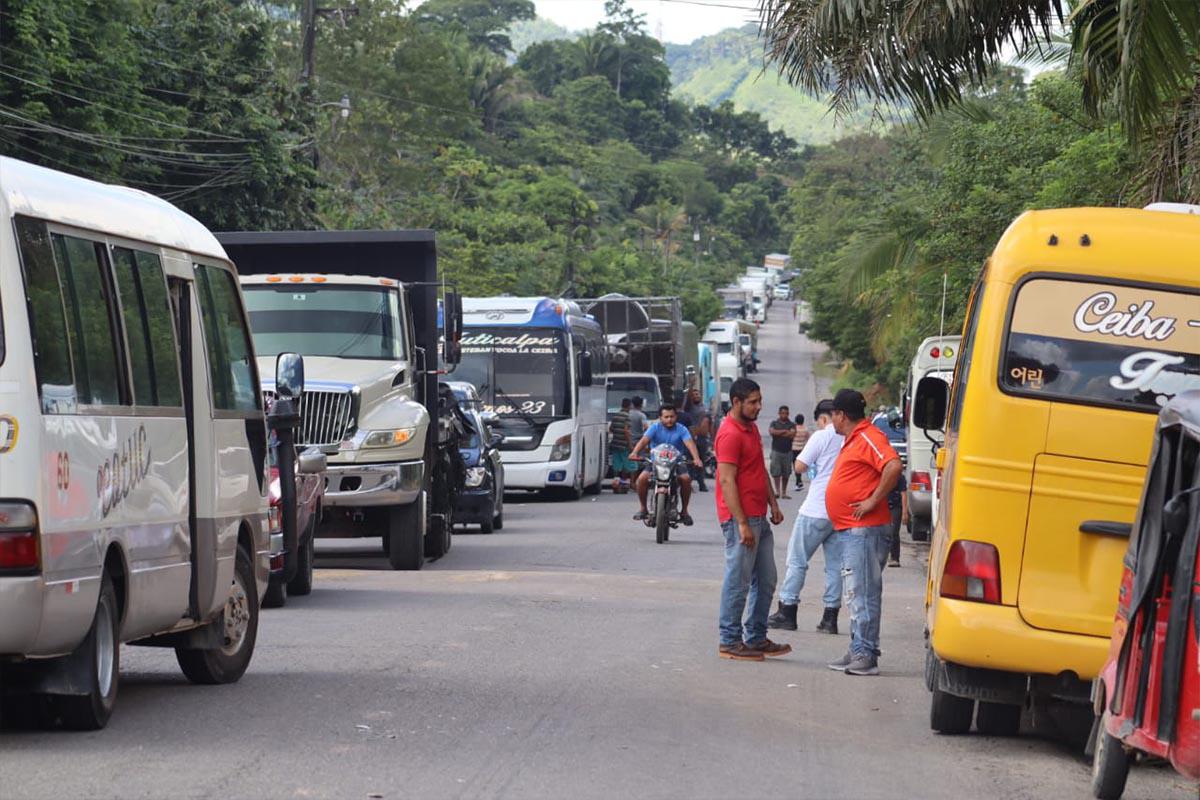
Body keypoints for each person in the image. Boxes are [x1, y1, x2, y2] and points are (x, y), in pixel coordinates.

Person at [824, 389, 902, 677]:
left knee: (863, 592)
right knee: (855, 591)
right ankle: (858, 646)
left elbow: (893, 465)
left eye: (833, 413)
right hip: (853, 530)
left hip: (865, 530)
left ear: (842, 415)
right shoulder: (853, 439)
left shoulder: (868, 436)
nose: (831, 419)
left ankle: (865, 653)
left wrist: (872, 500)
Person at [716, 378, 789, 661]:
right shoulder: (730, 434)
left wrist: (773, 503)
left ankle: (756, 637)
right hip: (742, 520)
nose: (759, 407)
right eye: (753, 402)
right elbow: (726, 479)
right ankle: (729, 641)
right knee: (739, 581)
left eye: (759, 401)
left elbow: (759, 469)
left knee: (767, 578)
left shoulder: (751, 429)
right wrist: (742, 523)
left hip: (760, 516)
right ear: (737, 402)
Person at [767, 400, 845, 633]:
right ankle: (830, 618)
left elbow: (799, 466)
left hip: (815, 509)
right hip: (839, 512)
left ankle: (787, 610)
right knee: (834, 566)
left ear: (823, 418)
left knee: (797, 560)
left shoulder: (822, 436)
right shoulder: (850, 438)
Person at [629, 403, 702, 526]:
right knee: (641, 479)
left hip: (676, 462)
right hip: (655, 462)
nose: (669, 419)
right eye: (666, 417)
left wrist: (696, 458)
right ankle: (643, 508)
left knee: (686, 479)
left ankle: (684, 511)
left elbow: (690, 444)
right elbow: (644, 441)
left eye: (672, 416)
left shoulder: (682, 429)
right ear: (660, 417)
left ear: (676, 417)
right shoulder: (654, 428)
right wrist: (634, 452)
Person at [767, 405, 797, 499]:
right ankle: (777, 491)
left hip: (787, 451)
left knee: (786, 472)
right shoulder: (774, 423)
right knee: (776, 472)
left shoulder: (792, 424)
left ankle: (784, 492)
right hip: (776, 451)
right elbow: (772, 432)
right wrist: (784, 431)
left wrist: (779, 433)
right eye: (782, 413)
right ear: (779, 413)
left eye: (786, 413)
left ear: (788, 414)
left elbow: (792, 434)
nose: (784, 415)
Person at [609, 397, 634, 493]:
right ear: (629, 406)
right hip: (624, 445)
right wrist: (630, 444)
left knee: (616, 465)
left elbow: (611, 429)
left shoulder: (616, 416)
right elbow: (626, 431)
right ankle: (623, 484)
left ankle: (616, 483)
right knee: (626, 465)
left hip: (615, 444)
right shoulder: (627, 416)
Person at [887, 471, 908, 567]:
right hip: (883, 506)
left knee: (894, 532)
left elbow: (903, 494)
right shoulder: (881, 474)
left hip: (896, 506)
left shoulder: (899, 477)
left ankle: (895, 557)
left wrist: (904, 512)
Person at [791, 413, 810, 491]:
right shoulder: (805, 429)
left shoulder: (794, 429)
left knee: (795, 466)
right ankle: (799, 481)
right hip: (802, 449)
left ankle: (798, 481)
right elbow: (808, 438)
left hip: (794, 449)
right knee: (800, 465)